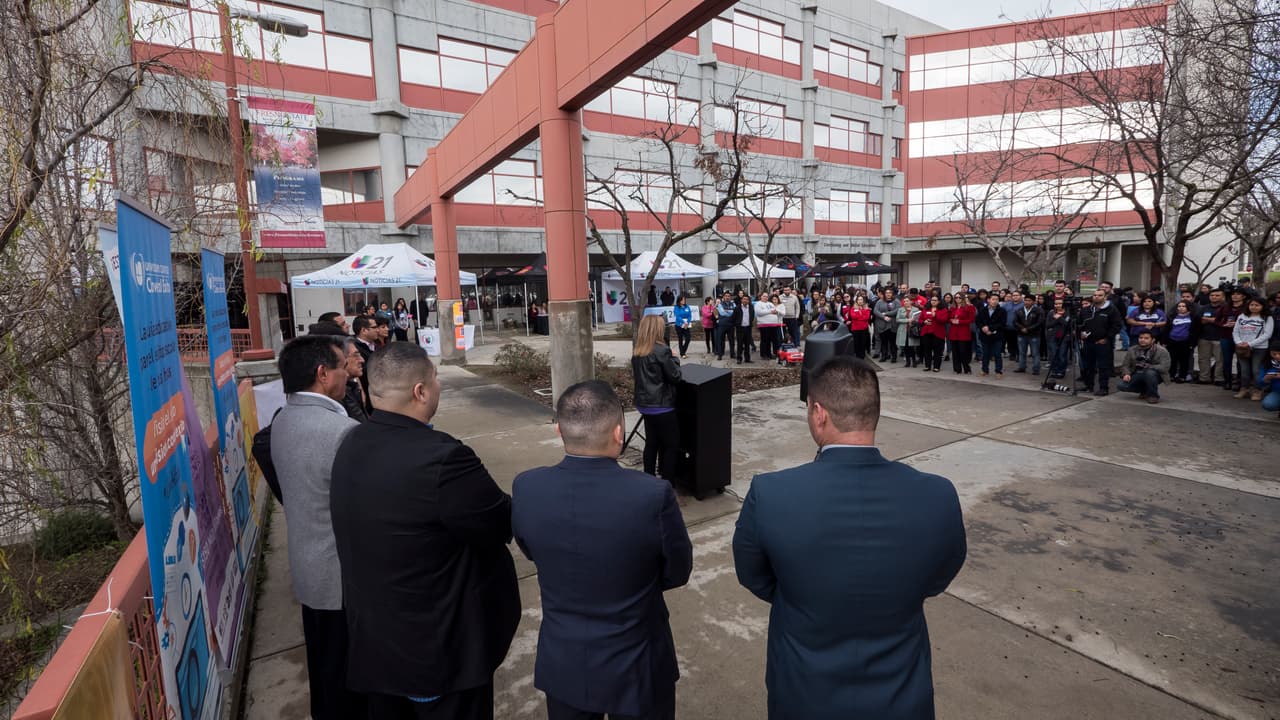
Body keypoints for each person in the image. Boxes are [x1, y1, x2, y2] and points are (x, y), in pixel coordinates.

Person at [732, 356, 966, 720]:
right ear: (874, 413)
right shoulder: (937, 495)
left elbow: (752, 574)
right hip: (902, 696)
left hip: (804, 693)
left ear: (819, 413)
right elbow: (940, 574)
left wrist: (800, 598)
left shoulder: (771, 493)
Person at [330, 343, 521, 719]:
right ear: (421, 391)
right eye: (435, 380)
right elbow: (498, 522)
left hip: (378, 648)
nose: (438, 387)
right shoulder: (443, 458)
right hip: (437, 654)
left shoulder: (351, 443)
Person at [512, 381, 693, 720]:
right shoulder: (652, 495)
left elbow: (531, 549)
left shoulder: (527, 487)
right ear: (618, 433)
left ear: (558, 430)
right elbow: (677, 571)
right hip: (638, 662)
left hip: (565, 662)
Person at [269, 335, 365, 720]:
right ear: (323, 374)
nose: (348, 374)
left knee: (325, 671)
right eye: (343, 366)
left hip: (310, 574)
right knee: (349, 680)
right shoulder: (340, 432)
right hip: (341, 581)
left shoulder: (283, 419)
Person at [632, 315, 682, 480]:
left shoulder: (638, 351)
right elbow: (675, 376)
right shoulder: (662, 351)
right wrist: (674, 358)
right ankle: (667, 483)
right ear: (657, 330)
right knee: (671, 445)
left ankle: (649, 478)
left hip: (645, 404)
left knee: (652, 442)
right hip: (662, 404)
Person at [1078, 288, 1123, 396]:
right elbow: (1079, 324)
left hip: (1103, 343)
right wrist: (1081, 333)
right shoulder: (1086, 310)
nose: (1096, 297)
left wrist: (1107, 338)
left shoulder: (1111, 310)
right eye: (1095, 295)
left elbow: (1116, 325)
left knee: (1103, 366)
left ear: (1105, 297)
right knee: (1088, 365)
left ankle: (1104, 388)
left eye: (1099, 295)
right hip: (1088, 342)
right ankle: (1089, 385)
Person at [1232, 295, 1274, 400]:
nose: (1253, 307)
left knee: (1256, 370)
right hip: (1242, 347)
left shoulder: (1267, 318)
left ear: (1263, 306)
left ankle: (1257, 390)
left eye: (1257, 305)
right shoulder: (1242, 316)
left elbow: (1267, 334)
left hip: (1260, 348)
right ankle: (1244, 389)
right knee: (1244, 370)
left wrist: (1250, 344)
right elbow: (1235, 331)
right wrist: (1239, 342)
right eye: (1251, 305)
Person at [1117, 329, 1172, 403]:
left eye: (1146, 338)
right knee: (1121, 386)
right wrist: (1126, 374)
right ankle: (1145, 390)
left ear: (1153, 340)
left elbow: (1165, 367)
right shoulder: (1132, 349)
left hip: (1155, 374)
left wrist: (1148, 366)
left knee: (1149, 373)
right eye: (1141, 338)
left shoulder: (1162, 350)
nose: (1142, 340)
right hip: (1137, 373)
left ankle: (1153, 396)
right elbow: (1125, 365)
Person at [1197, 288, 1226, 384]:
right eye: (1212, 295)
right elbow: (1199, 320)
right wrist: (1214, 320)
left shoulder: (1226, 307)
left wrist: (1209, 320)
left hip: (1220, 337)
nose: (1214, 297)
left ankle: (1219, 379)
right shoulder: (1204, 308)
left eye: (1217, 295)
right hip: (1204, 337)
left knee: (1220, 360)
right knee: (1203, 359)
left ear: (1223, 297)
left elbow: (1223, 321)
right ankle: (1204, 378)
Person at [1166, 300, 1197, 383]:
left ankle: (1182, 376)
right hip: (1173, 341)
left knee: (1184, 360)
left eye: (1183, 306)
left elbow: (1195, 331)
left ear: (1188, 308)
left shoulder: (1193, 317)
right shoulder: (1172, 316)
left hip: (1185, 342)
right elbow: (1167, 329)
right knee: (1172, 359)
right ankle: (1171, 375)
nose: (1181, 308)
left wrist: (1192, 343)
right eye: (1179, 306)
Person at [976, 294, 1006, 378]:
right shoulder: (983, 310)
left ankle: (998, 371)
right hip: (984, 335)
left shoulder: (1002, 311)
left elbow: (1002, 323)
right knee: (985, 354)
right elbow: (978, 321)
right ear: (988, 300)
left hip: (997, 336)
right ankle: (985, 370)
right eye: (993, 299)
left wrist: (990, 328)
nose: (995, 301)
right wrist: (982, 328)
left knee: (997, 354)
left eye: (997, 299)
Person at [1013, 292, 1044, 374]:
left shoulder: (1038, 310)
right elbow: (1015, 322)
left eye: (1029, 300)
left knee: (1035, 353)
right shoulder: (1019, 310)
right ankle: (1022, 367)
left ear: (1033, 302)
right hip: (1021, 334)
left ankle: (1036, 369)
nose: (1027, 302)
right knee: (1022, 352)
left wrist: (1028, 329)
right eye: (1025, 300)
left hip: (1034, 335)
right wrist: (1022, 328)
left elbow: (1039, 323)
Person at [918, 295, 948, 372]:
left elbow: (944, 320)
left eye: (935, 300)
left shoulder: (943, 310)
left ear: (939, 301)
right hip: (926, 332)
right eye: (932, 300)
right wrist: (924, 322)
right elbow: (920, 319)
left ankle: (936, 366)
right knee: (927, 350)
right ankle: (927, 366)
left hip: (938, 333)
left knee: (937, 351)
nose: (933, 302)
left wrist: (935, 315)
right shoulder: (926, 309)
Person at [949, 292, 976, 374]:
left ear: (963, 298)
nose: (957, 299)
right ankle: (957, 369)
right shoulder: (952, 307)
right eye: (956, 297)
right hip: (953, 332)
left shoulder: (969, 307)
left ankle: (966, 368)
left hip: (963, 331)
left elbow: (971, 320)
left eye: (959, 297)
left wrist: (960, 322)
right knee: (955, 352)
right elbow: (949, 317)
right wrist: (951, 320)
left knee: (963, 351)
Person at [755, 292, 783, 360]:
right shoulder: (758, 304)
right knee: (765, 340)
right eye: (764, 296)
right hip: (764, 325)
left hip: (773, 325)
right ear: (761, 297)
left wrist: (774, 311)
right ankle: (763, 354)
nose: (765, 298)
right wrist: (770, 311)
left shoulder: (770, 303)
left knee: (771, 340)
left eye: (767, 296)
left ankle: (769, 354)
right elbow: (759, 313)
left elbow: (776, 310)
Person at [843, 294, 872, 359]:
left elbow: (867, 317)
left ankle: (862, 357)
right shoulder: (853, 308)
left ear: (863, 301)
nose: (860, 301)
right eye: (858, 299)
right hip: (855, 329)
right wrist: (861, 315)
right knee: (856, 344)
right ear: (856, 301)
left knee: (863, 343)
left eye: (861, 299)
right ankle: (857, 357)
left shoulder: (866, 308)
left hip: (864, 329)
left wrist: (859, 316)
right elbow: (853, 316)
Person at [874, 289, 899, 362]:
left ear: (892, 294)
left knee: (892, 343)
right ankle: (884, 356)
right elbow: (875, 311)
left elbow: (897, 310)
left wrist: (887, 314)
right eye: (886, 293)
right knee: (883, 342)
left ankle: (894, 357)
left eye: (890, 293)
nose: (888, 294)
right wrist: (883, 317)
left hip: (892, 325)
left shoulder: (896, 301)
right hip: (882, 325)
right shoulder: (880, 301)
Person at [896, 296, 921, 368]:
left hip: (912, 330)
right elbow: (897, 319)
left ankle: (914, 361)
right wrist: (907, 320)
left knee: (912, 347)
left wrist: (913, 321)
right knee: (905, 347)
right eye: (904, 301)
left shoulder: (916, 309)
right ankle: (907, 361)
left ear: (910, 301)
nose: (906, 302)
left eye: (907, 301)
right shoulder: (900, 309)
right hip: (903, 330)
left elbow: (918, 319)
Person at [732, 294, 756, 364]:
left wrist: (750, 324)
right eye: (744, 299)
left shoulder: (751, 307)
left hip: (748, 328)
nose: (745, 300)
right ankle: (739, 358)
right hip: (740, 328)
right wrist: (737, 324)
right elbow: (734, 318)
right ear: (741, 300)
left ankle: (747, 359)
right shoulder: (737, 308)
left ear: (749, 301)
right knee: (740, 344)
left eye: (747, 299)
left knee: (747, 344)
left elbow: (752, 316)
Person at [1258, 342, 1280, 415]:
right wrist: (1266, 379)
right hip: (1277, 391)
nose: (1277, 356)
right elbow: (1260, 383)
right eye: (1274, 354)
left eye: (1279, 354)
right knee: (1268, 404)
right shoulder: (1267, 363)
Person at [713, 291, 736, 360]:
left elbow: (735, 312)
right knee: (721, 340)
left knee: (732, 341)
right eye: (726, 296)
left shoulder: (733, 304)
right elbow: (722, 313)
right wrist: (730, 312)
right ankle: (720, 355)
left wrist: (727, 311)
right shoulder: (720, 304)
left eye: (728, 296)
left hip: (731, 325)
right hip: (722, 325)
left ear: (730, 297)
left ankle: (732, 354)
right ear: (723, 297)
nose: (727, 297)